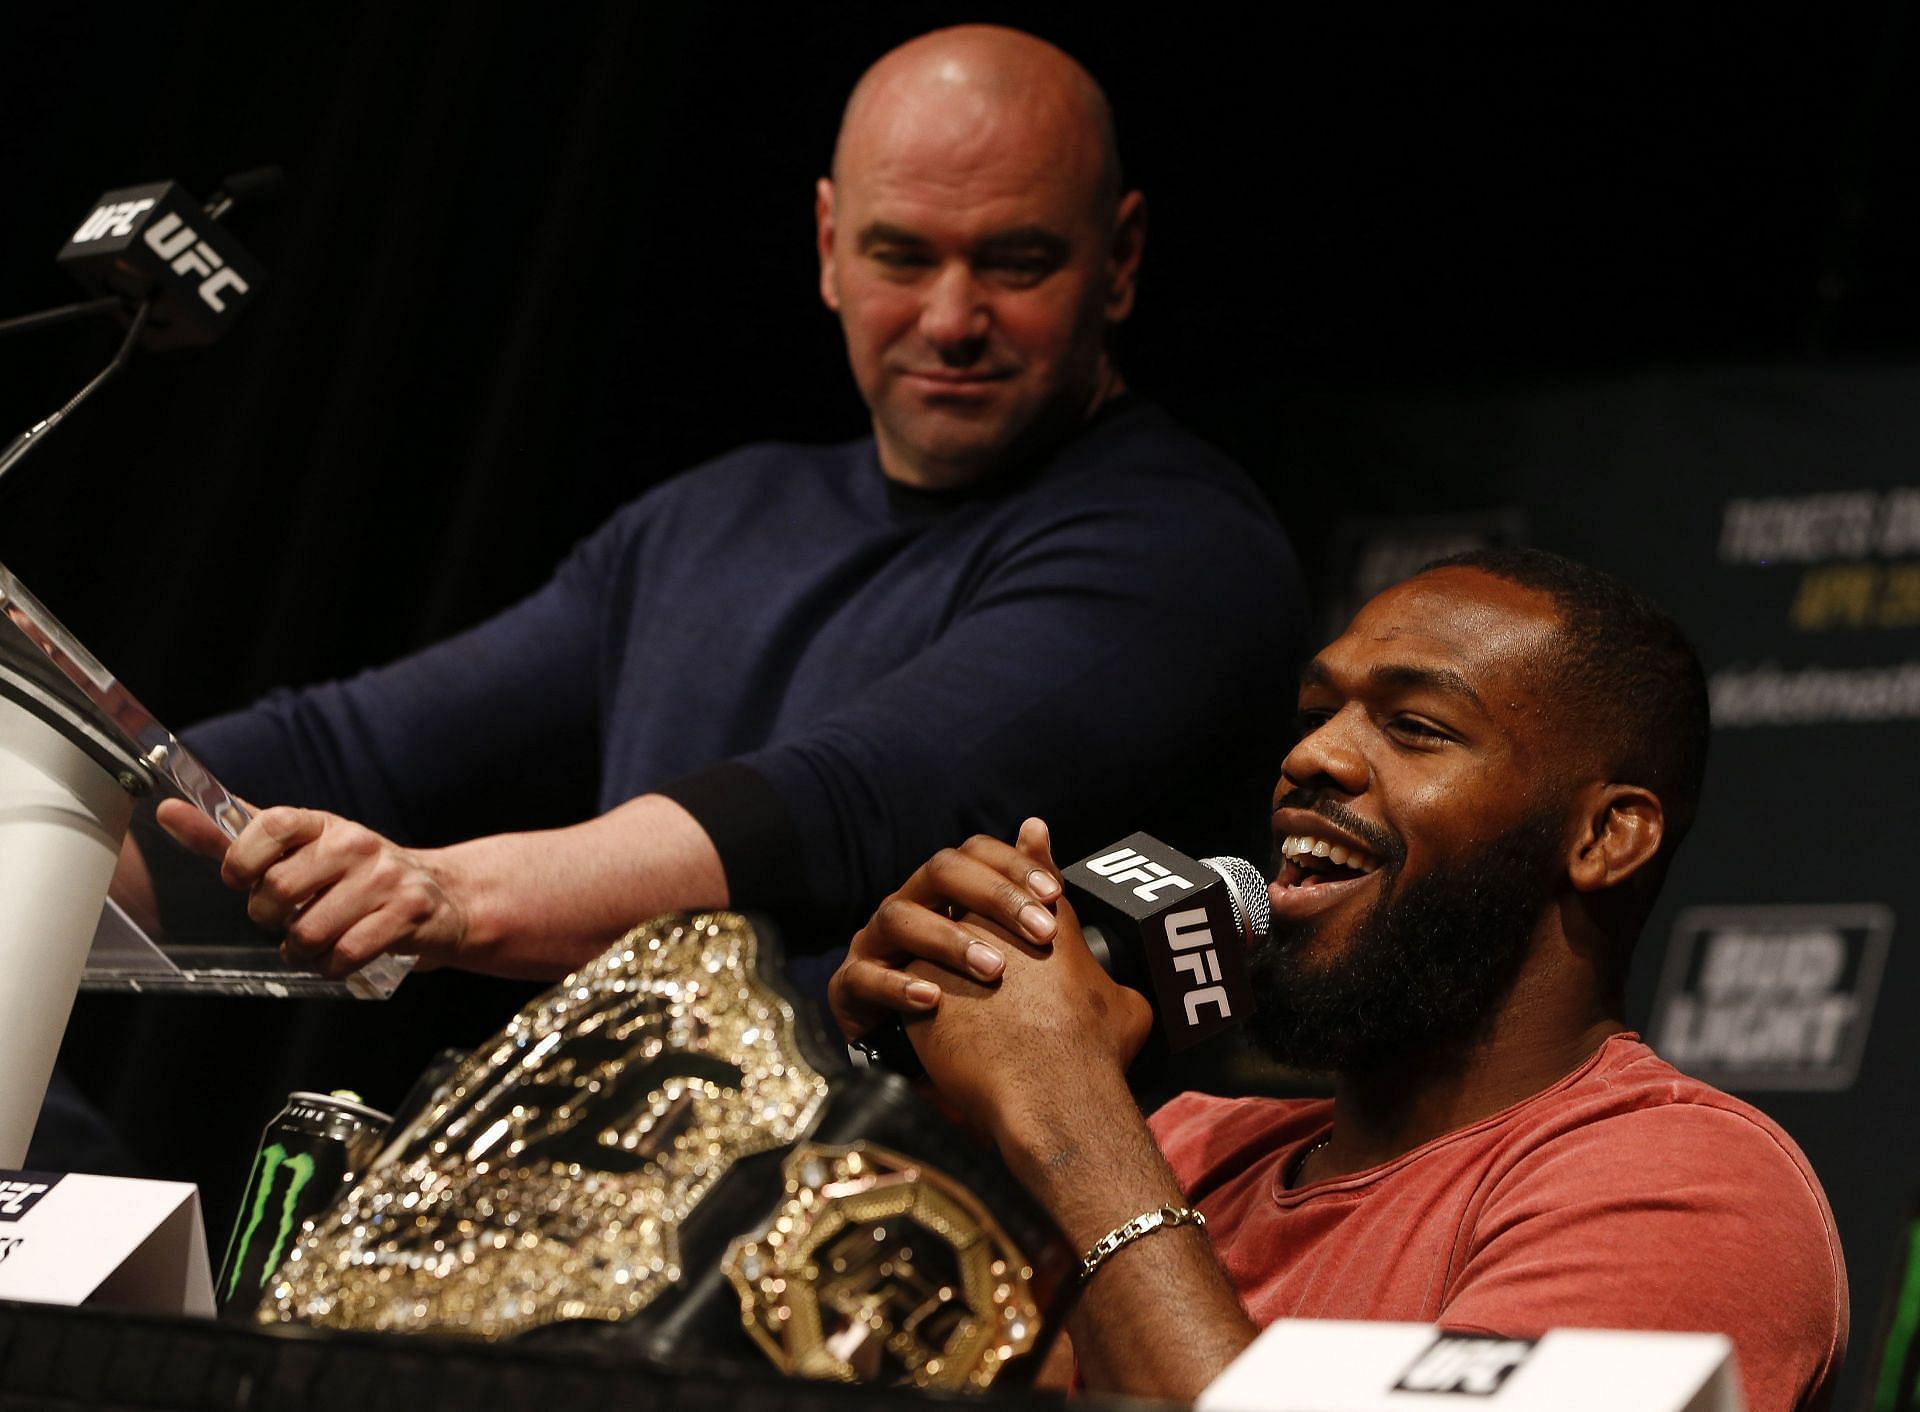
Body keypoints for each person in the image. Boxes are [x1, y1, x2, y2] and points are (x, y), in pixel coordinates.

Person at [137, 25, 1303, 985]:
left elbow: (845, 801)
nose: (951, 317)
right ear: (830, 246)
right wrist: (78, 807)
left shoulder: (1182, 548)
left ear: (1122, 258)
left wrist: (448, 891)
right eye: (903, 255)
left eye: (1016, 260)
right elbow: (354, 745)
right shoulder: (715, 518)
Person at [829, 548, 1847, 1412]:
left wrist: (1069, 1112)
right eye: (1318, 711)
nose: (1313, 755)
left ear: (1602, 835)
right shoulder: (1186, 1144)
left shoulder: (1685, 1187)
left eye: (1416, 727)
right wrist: (898, 1097)